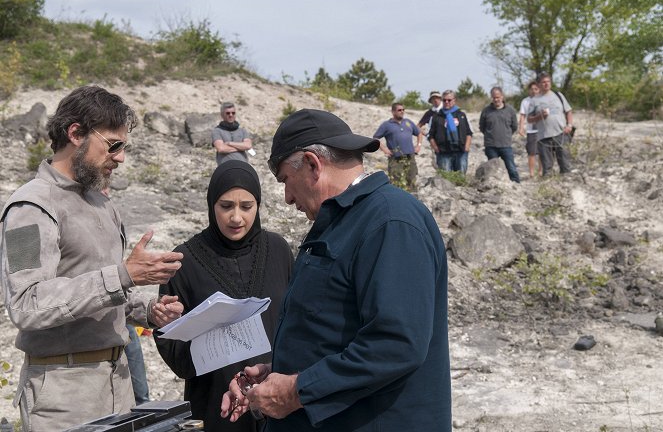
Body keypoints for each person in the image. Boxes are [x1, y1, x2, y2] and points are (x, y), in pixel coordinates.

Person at [221, 109, 452, 431]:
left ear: (313, 164)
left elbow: (396, 344)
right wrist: (280, 371)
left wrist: (298, 390)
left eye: (286, 180)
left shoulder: (391, 222)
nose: (287, 198)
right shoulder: (343, 220)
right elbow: (336, 330)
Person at [0, 85, 184, 431]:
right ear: (76, 133)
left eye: (124, 147)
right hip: (63, 395)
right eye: (113, 145)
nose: (120, 157)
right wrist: (122, 275)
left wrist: (147, 310)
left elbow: (105, 290)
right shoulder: (30, 207)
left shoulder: (103, 204)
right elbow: (26, 304)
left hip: (119, 384)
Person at [154, 160, 293, 432]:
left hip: (279, 404)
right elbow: (174, 349)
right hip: (217, 407)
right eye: (226, 206)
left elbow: (297, 322)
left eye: (246, 206)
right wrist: (165, 321)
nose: (236, 218)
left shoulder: (278, 250)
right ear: (211, 205)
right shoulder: (185, 262)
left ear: (259, 205)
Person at [527, 72, 574, 176]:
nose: (546, 84)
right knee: (547, 169)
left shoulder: (559, 95)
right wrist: (540, 116)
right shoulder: (534, 100)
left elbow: (569, 111)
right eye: (543, 82)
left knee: (565, 165)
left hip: (561, 134)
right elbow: (529, 119)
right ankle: (549, 189)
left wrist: (569, 125)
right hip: (543, 137)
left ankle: (566, 186)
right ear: (538, 84)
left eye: (548, 81)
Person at [373, 103, 422, 191]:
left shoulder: (408, 122)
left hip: (410, 157)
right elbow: (376, 138)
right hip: (396, 158)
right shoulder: (386, 125)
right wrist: (385, 149)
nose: (402, 112)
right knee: (396, 182)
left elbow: (419, 133)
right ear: (393, 112)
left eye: (403, 110)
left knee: (412, 179)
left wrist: (418, 146)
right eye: (399, 110)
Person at [479, 86, 520, 183]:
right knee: (492, 169)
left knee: (511, 167)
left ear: (502, 96)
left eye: (498, 97)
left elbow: (514, 126)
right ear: (491, 98)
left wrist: (506, 134)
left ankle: (516, 184)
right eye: (494, 97)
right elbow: (482, 127)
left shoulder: (510, 110)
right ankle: (495, 185)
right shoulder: (486, 111)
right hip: (491, 145)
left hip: (506, 145)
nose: (496, 99)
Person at [428, 90, 473, 173]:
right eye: (444, 100)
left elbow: (469, 133)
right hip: (443, 152)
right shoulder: (436, 116)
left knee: (461, 178)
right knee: (446, 179)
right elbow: (430, 135)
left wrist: (466, 147)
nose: (446, 102)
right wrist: (436, 148)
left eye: (449, 100)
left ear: (454, 100)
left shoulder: (461, 115)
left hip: (461, 151)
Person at [518, 81, 542, 178]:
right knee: (531, 152)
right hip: (531, 130)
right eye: (532, 89)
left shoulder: (543, 100)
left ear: (539, 89)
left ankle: (541, 172)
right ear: (529, 90)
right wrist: (521, 128)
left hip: (542, 130)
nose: (534, 91)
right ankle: (532, 173)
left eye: (536, 89)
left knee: (542, 152)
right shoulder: (525, 101)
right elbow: (522, 116)